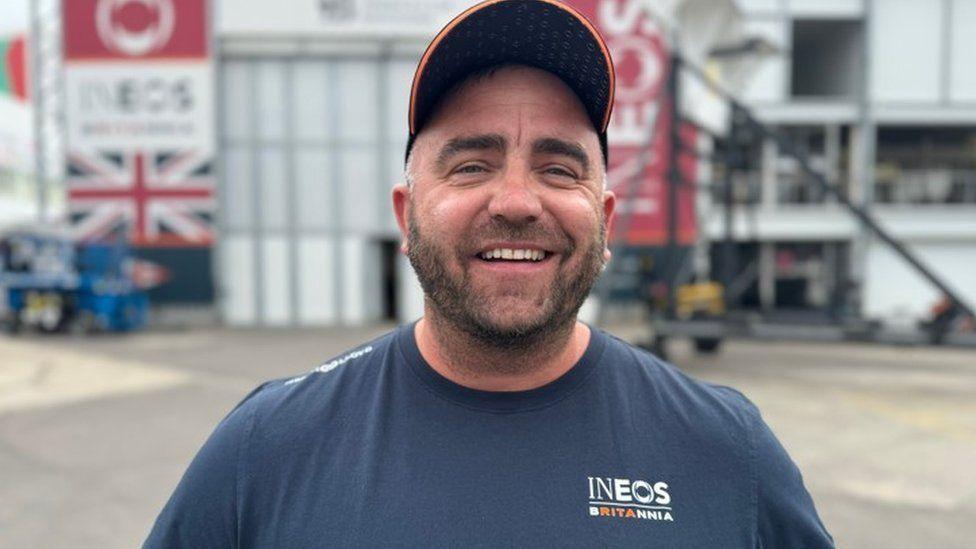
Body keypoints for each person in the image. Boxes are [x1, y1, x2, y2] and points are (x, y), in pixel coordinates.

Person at [145, 1, 834, 547]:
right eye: (471, 164)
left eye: (559, 168)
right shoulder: (266, 449)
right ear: (406, 215)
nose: (515, 201)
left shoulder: (727, 453)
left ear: (607, 220)